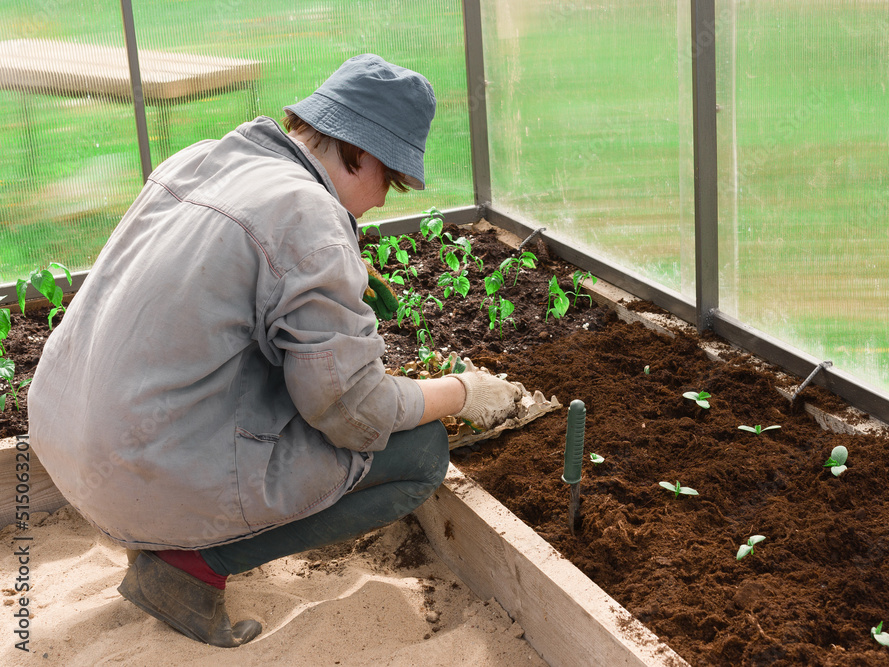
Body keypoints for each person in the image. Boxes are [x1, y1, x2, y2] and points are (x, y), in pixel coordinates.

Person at [27, 54, 524, 648]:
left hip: (68, 439)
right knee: (418, 452)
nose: (384, 200)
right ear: (357, 152)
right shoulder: (308, 217)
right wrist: (464, 392)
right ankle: (188, 567)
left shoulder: (210, 156)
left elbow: (224, 267)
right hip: (142, 472)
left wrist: (340, 268)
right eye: (388, 180)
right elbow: (353, 411)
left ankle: (174, 537)